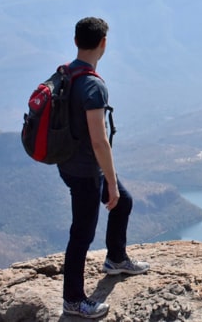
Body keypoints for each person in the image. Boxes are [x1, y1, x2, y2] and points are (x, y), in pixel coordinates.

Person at [58, 17, 150, 319]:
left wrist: (110, 183)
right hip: (86, 169)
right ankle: (73, 301)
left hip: (69, 163)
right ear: (104, 44)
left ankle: (116, 258)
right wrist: (109, 181)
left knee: (124, 202)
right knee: (82, 234)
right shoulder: (93, 86)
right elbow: (99, 141)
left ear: (75, 41)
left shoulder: (66, 74)